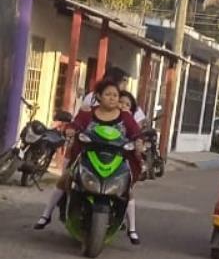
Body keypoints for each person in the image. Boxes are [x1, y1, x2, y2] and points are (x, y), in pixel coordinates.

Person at [35, 80, 143, 244]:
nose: (112, 98)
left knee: (127, 188)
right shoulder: (88, 113)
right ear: (99, 96)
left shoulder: (125, 116)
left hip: (116, 160)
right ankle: (46, 215)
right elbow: (76, 124)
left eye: (115, 95)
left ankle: (132, 228)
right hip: (88, 156)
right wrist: (71, 130)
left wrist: (139, 142)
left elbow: (136, 132)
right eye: (108, 94)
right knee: (65, 179)